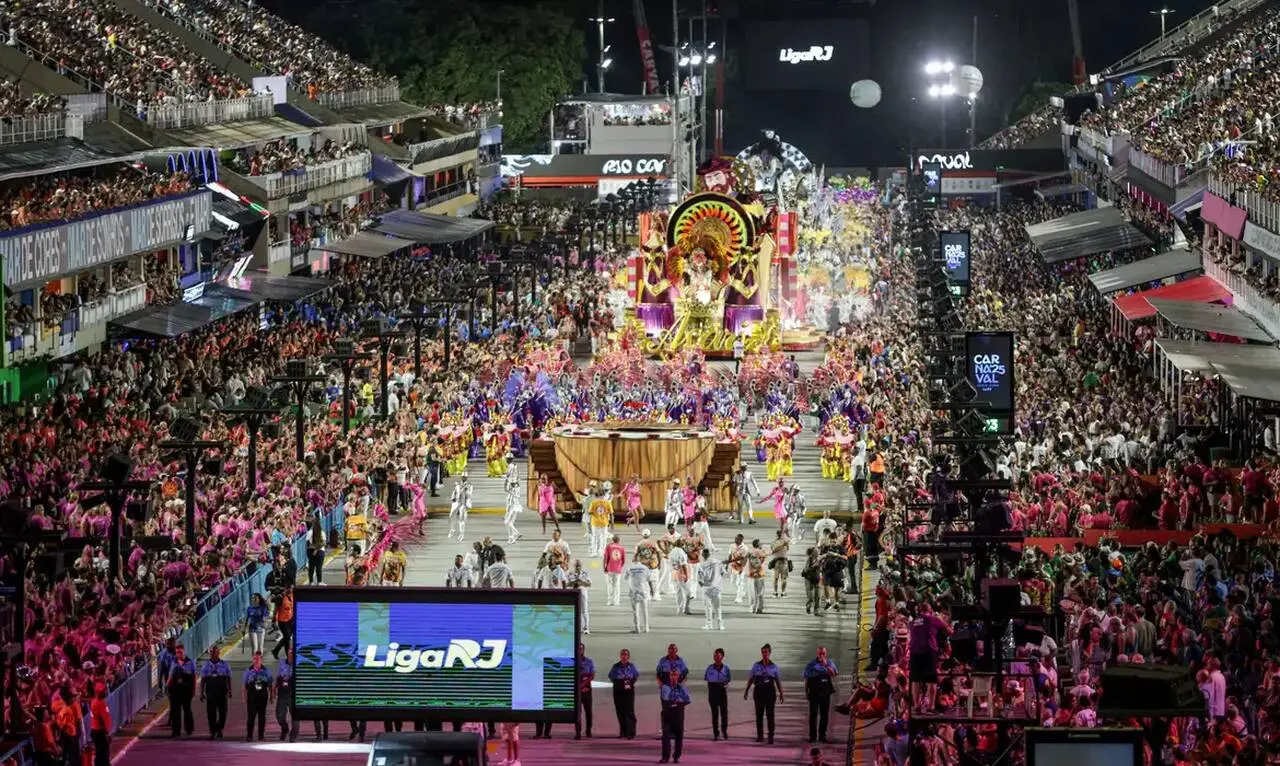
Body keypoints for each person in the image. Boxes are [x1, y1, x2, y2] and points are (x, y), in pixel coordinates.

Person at [908, 602, 951, 713]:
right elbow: (949, 631)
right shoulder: (932, 619)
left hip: (914, 652)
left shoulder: (913, 622)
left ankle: (916, 706)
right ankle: (931, 707)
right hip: (928, 652)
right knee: (931, 680)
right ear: (929, 610)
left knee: (916, 680)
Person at [744, 643, 784, 744]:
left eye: (766, 652)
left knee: (770, 714)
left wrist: (781, 693)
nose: (764, 654)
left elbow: (778, 681)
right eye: (762, 652)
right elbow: (751, 678)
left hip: (770, 692)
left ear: (769, 653)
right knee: (759, 714)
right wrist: (746, 691)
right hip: (759, 691)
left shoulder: (774, 667)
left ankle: (771, 736)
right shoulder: (756, 665)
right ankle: (760, 735)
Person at [804, 646, 838, 744]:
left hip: (825, 693)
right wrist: (806, 692)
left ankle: (822, 736)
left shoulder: (830, 663)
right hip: (814, 693)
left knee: (824, 715)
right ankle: (812, 736)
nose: (821, 655)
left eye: (823, 653)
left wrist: (826, 665)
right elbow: (807, 680)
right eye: (820, 653)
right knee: (813, 715)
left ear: (825, 654)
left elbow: (834, 674)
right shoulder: (811, 665)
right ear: (817, 653)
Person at [198, 645, 232, 739]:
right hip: (211, 691)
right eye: (211, 652)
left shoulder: (225, 665)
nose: (213, 654)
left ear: (218, 653)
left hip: (221, 690)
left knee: (223, 713)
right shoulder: (205, 665)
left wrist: (230, 690)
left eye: (215, 652)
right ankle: (213, 732)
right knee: (211, 713)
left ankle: (219, 728)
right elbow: (203, 680)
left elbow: (228, 678)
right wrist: (201, 693)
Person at [659, 669, 691, 764]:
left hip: (678, 712)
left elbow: (688, 699)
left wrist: (680, 691)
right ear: (669, 676)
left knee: (679, 736)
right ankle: (665, 757)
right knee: (665, 737)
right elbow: (666, 698)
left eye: (675, 675)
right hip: (668, 713)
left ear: (678, 676)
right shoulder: (665, 687)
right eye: (672, 675)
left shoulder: (682, 687)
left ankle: (676, 756)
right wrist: (676, 697)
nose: (673, 677)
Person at [608, 648, 639, 739]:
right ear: (620, 656)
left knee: (629, 712)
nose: (624, 656)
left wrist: (629, 682)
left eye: (626, 654)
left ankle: (631, 732)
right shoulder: (616, 666)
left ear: (628, 656)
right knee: (620, 712)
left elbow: (636, 676)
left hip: (628, 692)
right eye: (622, 654)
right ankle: (623, 732)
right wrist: (618, 684)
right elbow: (611, 676)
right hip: (618, 692)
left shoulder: (631, 666)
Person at [167, 642, 196, 737]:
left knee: (187, 709)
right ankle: (176, 731)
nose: (179, 654)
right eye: (177, 652)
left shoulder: (190, 662)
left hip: (186, 690)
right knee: (175, 710)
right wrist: (168, 687)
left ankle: (189, 729)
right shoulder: (174, 663)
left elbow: (194, 676)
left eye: (180, 652)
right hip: (176, 690)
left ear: (184, 652)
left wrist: (194, 690)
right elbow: (170, 676)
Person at [243, 650, 272, 741]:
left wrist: (272, 696)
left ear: (261, 660)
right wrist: (243, 697)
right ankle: (249, 735)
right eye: (254, 659)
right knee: (251, 717)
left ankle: (261, 735)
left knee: (262, 717)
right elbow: (244, 685)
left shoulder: (266, 671)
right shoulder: (248, 671)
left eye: (257, 659)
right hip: (252, 697)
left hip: (262, 697)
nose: (255, 660)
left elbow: (271, 685)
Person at [704, 648, 731, 741]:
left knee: (724, 713)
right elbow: (706, 679)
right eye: (715, 655)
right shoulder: (710, 668)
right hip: (712, 691)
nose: (716, 657)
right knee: (714, 714)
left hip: (722, 691)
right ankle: (716, 733)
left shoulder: (726, 668)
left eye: (718, 655)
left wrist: (724, 685)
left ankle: (724, 731)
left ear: (722, 656)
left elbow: (728, 679)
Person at [697, 550, 725, 631]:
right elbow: (722, 573)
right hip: (717, 587)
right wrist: (717, 580)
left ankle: (709, 625)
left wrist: (702, 586)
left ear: (702, 555)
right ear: (709, 554)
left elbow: (700, 580)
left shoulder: (701, 565)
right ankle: (720, 625)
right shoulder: (717, 562)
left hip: (707, 588)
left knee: (708, 607)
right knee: (718, 607)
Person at [566, 559, 592, 635]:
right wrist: (574, 582)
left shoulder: (585, 574)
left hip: (582, 592)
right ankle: (574, 627)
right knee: (573, 610)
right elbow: (566, 584)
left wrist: (581, 582)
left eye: (579, 566)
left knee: (584, 610)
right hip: (573, 593)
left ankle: (586, 628)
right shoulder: (569, 574)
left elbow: (589, 584)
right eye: (576, 566)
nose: (577, 567)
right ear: (573, 566)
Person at [625, 559, 651, 633]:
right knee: (645, 610)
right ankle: (646, 628)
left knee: (635, 611)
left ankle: (637, 628)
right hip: (643, 591)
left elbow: (625, 578)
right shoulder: (645, 568)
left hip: (634, 592)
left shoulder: (629, 568)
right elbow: (649, 579)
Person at [276, 649, 297, 742]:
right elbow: (278, 677)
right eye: (289, 653)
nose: (290, 655)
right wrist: (273, 689)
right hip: (282, 693)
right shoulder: (282, 663)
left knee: (296, 717)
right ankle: (285, 729)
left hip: (293, 695)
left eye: (292, 654)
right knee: (279, 716)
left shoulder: (298, 665)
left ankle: (293, 736)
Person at [88, 683, 111, 766]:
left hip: (96, 730)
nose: (104, 692)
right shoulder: (99, 704)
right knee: (103, 753)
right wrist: (107, 732)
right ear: (98, 692)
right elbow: (103, 719)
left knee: (100, 752)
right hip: (100, 731)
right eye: (102, 691)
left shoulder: (95, 701)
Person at [576, 643, 595, 739]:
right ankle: (578, 732)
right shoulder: (573, 661)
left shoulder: (589, 661)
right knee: (577, 712)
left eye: (581, 649)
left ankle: (588, 731)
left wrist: (582, 685)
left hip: (587, 689)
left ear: (584, 650)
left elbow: (592, 675)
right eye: (578, 649)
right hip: (577, 691)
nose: (580, 650)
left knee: (588, 712)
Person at [602, 534, 627, 606]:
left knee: (609, 585)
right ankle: (617, 601)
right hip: (618, 569)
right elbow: (623, 560)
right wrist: (620, 566)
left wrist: (604, 567)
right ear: (619, 540)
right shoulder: (621, 548)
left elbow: (606, 558)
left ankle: (609, 601)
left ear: (612, 540)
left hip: (609, 568)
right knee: (617, 585)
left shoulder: (609, 546)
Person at [503, 463, 523, 543]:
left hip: (513, 505)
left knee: (508, 522)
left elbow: (506, 489)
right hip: (516, 505)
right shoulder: (517, 487)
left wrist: (507, 479)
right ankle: (514, 536)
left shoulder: (513, 490)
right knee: (510, 523)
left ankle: (512, 537)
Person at [450, 473, 472, 541]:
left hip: (463, 503)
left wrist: (466, 490)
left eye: (465, 477)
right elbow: (454, 492)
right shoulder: (458, 484)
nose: (463, 478)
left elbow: (470, 495)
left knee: (461, 520)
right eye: (462, 477)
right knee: (451, 516)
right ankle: (452, 530)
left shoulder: (469, 485)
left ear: (467, 477)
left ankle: (461, 534)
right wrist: (453, 497)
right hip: (456, 503)